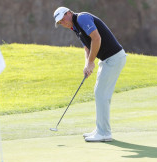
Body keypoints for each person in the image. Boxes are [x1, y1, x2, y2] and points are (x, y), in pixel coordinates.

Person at [53, 7, 127, 142]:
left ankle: (104, 132)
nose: (62, 23)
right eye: (59, 22)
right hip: (108, 59)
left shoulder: (82, 18)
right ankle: (101, 129)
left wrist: (91, 62)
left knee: (101, 93)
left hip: (114, 58)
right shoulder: (75, 28)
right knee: (100, 93)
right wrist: (87, 64)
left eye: (63, 19)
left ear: (69, 13)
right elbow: (87, 46)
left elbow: (96, 39)